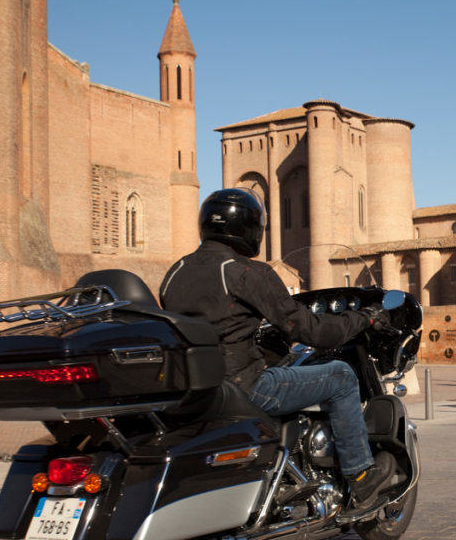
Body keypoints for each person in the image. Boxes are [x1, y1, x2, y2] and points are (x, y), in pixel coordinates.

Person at [160, 188, 395, 513]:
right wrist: (362, 320)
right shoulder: (244, 272)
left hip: (197, 390)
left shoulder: (176, 272)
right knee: (340, 376)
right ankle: (361, 476)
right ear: (250, 228)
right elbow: (313, 331)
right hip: (246, 388)